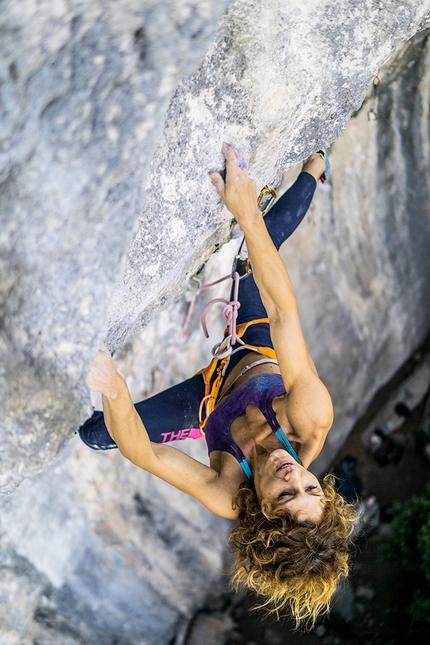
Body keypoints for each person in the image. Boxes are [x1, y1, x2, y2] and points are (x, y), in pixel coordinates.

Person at [80, 143, 356, 628]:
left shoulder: (229, 493)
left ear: (260, 513)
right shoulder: (310, 418)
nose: (294, 475)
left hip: (208, 401)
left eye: (286, 495)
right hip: (255, 341)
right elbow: (284, 314)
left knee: (98, 433)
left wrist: (114, 387)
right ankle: (316, 167)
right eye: (310, 486)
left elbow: (143, 454)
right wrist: (246, 212)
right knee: (253, 258)